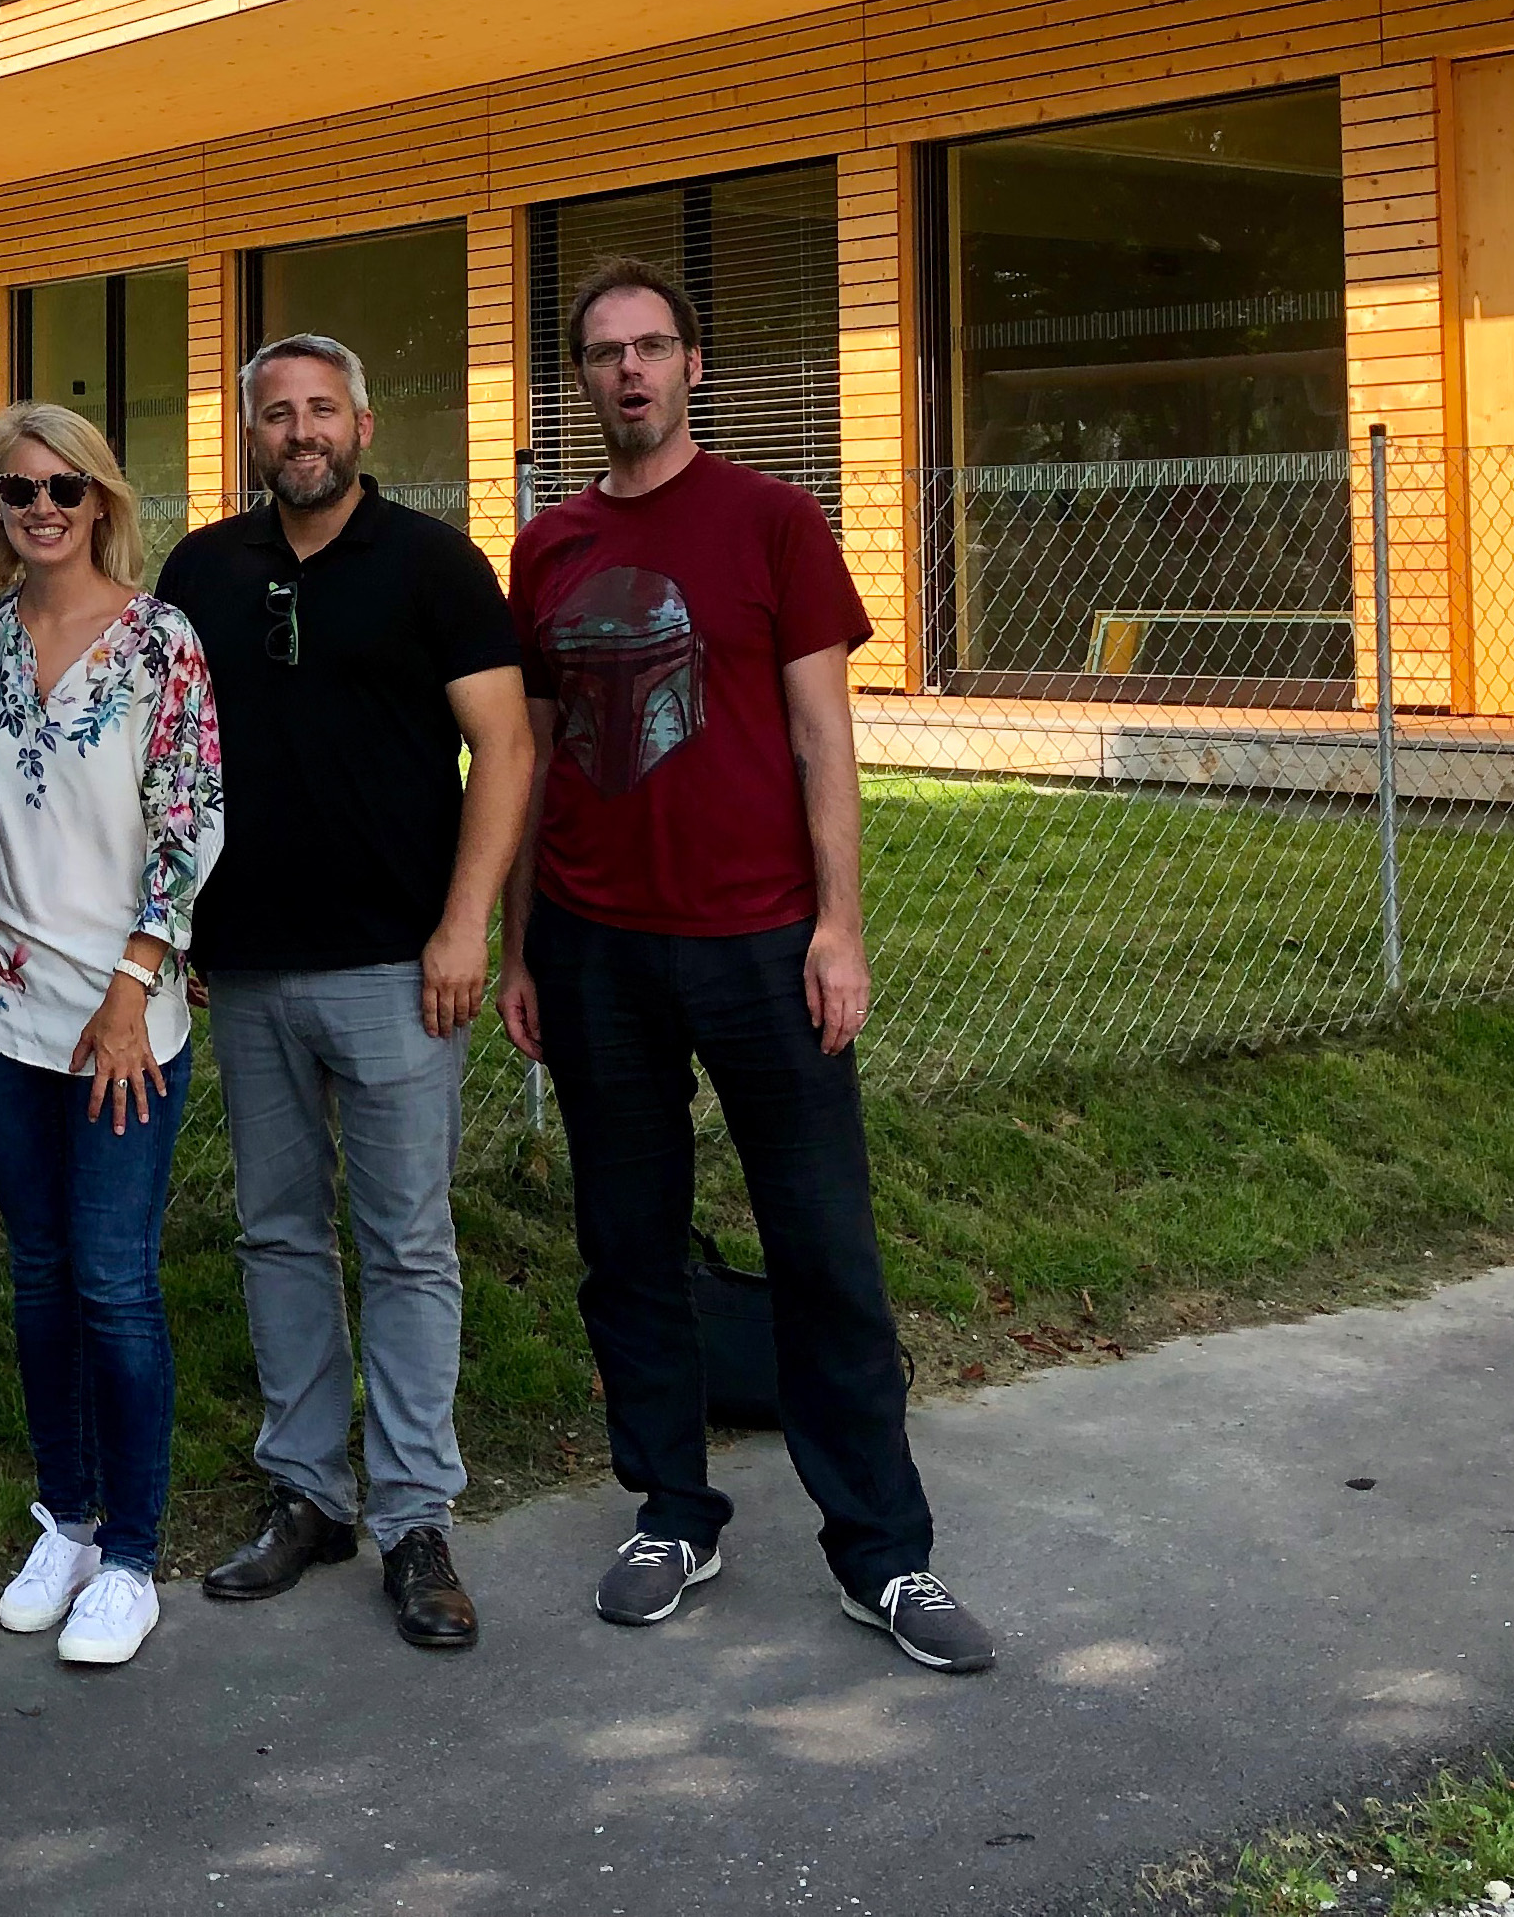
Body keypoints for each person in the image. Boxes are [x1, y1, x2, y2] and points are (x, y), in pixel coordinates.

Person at [495, 255, 995, 1675]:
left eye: (652, 347)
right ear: (579, 378)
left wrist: (837, 925)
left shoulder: (775, 521)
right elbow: (531, 762)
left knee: (824, 1245)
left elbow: (822, 738)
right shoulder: (550, 547)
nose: (630, 372)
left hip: (760, 943)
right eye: (603, 353)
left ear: (693, 366)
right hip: (595, 947)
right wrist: (521, 943)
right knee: (627, 1243)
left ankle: (880, 1556)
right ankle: (671, 1508)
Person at [155, 335, 534, 1652]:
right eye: (276, 414)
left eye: (321, 409)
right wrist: (176, 925)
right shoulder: (201, 570)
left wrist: (462, 928)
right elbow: (169, 761)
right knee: (274, 1233)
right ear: (250, 435)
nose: (299, 430)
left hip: (395, 967)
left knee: (406, 1242)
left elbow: (504, 746)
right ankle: (307, 1491)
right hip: (247, 969)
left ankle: (416, 1516)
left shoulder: (433, 565)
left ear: (363, 424)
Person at [0, 403, 225, 1668]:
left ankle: (135, 1547)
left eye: (64, 489)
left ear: (101, 498)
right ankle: (67, 1509)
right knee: (41, 1269)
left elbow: (191, 816)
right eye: (16, 491)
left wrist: (140, 977)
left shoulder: (162, 642)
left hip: (123, 1016)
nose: (42, 509)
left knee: (114, 1279)